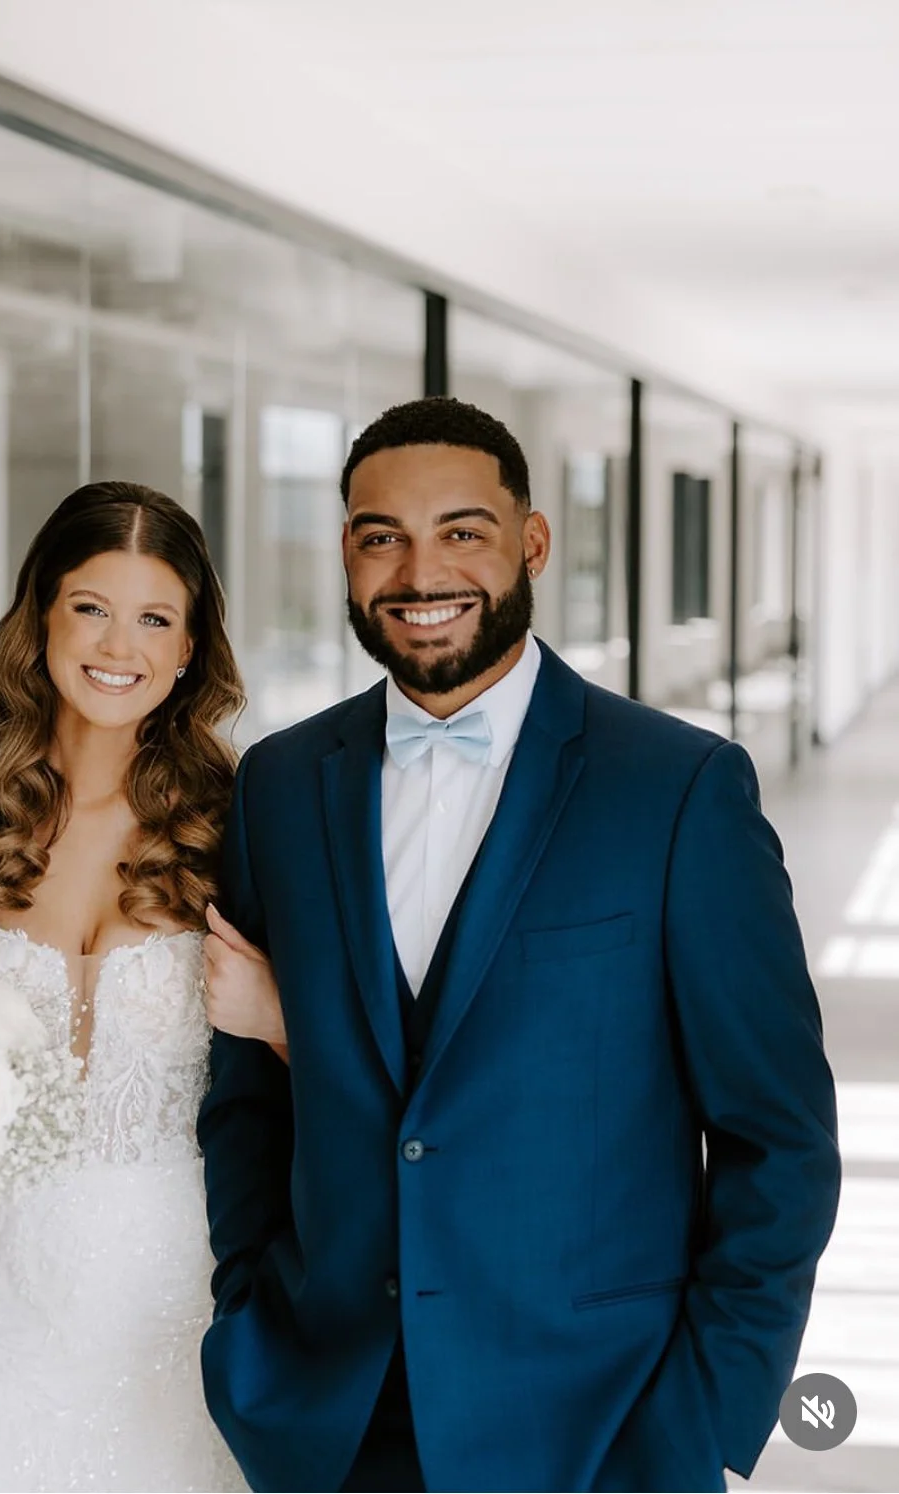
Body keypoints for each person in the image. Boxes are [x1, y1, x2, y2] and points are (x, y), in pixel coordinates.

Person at [197, 397, 841, 1493]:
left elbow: (777, 1137)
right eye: (379, 537)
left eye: (461, 531)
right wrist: (253, 1309)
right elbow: (247, 1098)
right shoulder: (278, 786)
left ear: (531, 543)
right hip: (335, 1418)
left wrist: (714, 1416)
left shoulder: (677, 790)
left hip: (599, 1427)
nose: (418, 571)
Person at [0, 481, 279, 1492]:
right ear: (42, 616)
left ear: (187, 649)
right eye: (91, 607)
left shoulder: (246, 830)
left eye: (154, 618)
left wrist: (283, 1019)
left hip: (178, 1297)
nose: (118, 644)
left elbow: (326, 1068)